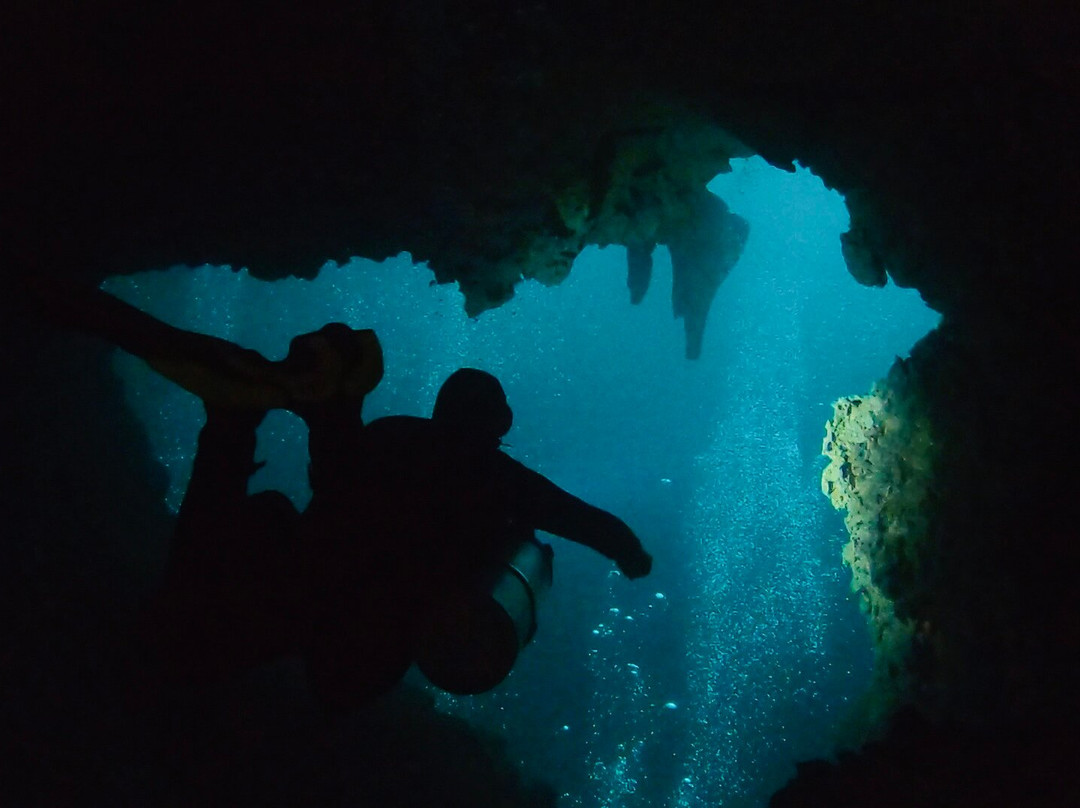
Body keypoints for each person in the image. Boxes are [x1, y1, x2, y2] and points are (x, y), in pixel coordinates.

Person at [30, 284, 652, 705]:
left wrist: (333, 417)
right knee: (309, 684)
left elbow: (332, 476)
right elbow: (588, 523)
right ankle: (247, 416)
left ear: (442, 410)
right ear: (500, 425)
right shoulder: (505, 481)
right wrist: (631, 556)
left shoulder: (399, 435)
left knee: (204, 608)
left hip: (306, 564)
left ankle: (252, 415)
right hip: (357, 618)